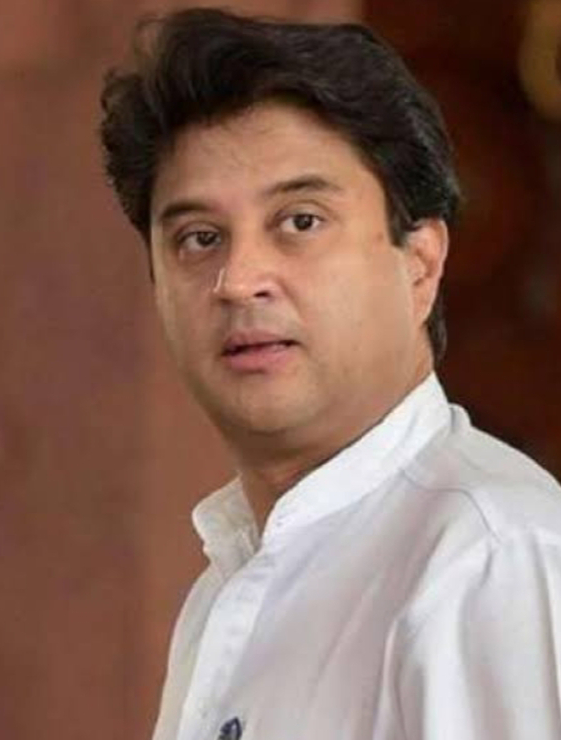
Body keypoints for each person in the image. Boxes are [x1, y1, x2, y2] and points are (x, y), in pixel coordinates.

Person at [99, 8, 561, 740]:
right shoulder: (230, 588)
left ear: (420, 263)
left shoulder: (488, 561)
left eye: (301, 221)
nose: (237, 279)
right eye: (199, 237)